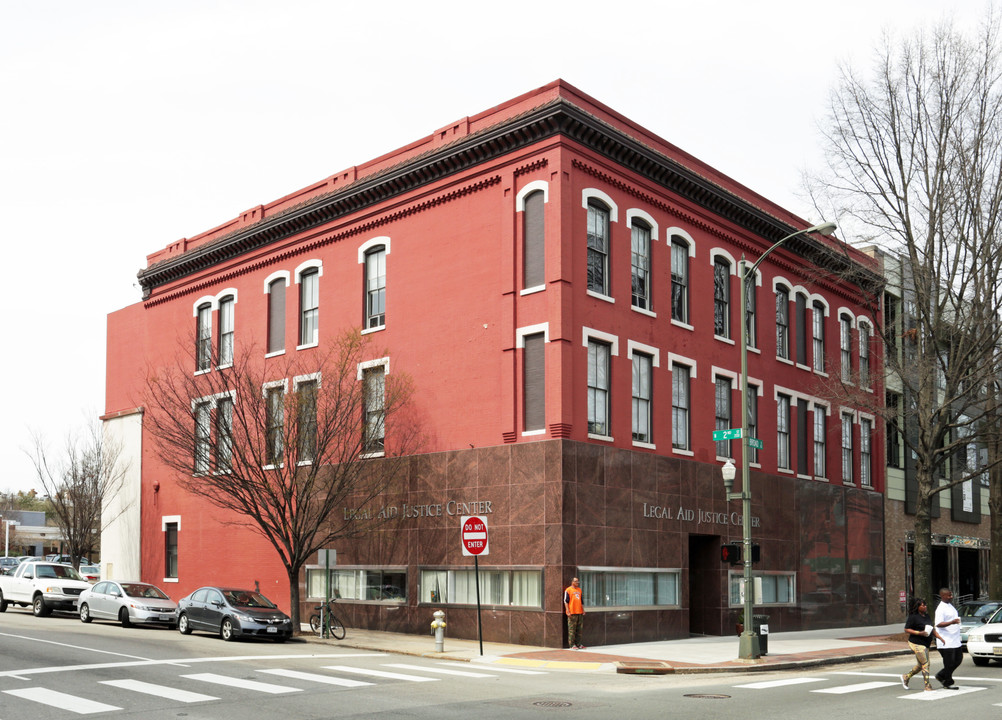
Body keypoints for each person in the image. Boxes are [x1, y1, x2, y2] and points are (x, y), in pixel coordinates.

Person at [901, 597, 944, 691]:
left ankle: (906, 677)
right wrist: (919, 633)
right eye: (923, 605)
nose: (925, 606)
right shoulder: (913, 617)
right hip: (916, 643)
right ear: (918, 607)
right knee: (926, 663)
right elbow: (906, 629)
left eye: (925, 605)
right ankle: (927, 685)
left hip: (925, 643)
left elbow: (931, 629)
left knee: (920, 665)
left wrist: (940, 638)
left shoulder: (927, 616)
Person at [934, 588, 963, 689]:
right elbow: (938, 623)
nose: (951, 597)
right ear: (942, 596)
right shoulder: (940, 609)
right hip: (945, 640)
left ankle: (941, 675)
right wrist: (952, 622)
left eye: (951, 595)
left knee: (958, 660)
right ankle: (948, 682)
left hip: (955, 639)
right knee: (949, 663)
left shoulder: (950, 605)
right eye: (949, 595)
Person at [563, 577, 585, 649]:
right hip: (572, 613)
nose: (577, 583)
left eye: (578, 582)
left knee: (579, 630)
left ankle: (578, 644)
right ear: (572, 582)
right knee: (572, 630)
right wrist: (568, 611)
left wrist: (583, 610)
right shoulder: (568, 590)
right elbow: (566, 601)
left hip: (579, 612)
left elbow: (581, 601)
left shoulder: (579, 590)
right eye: (576, 581)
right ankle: (572, 645)